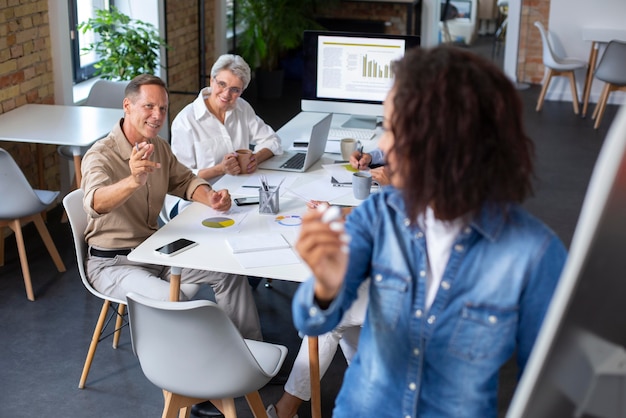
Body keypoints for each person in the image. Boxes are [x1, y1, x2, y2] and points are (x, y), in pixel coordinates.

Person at [292, 45, 568, 418]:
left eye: (392, 129)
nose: (383, 145)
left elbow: (548, 391)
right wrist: (325, 287)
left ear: (446, 143)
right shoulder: (378, 215)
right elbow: (312, 320)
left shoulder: (534, 255)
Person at [81, 74, 263, 342]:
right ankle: (213, 367)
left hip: (155, 253)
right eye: (149, 106)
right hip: (113, 264)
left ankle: (249, 353)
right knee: (176, 303)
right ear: (127, 106)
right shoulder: (100, 155)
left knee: (228, 272)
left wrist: (210, 196)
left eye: (163, 108)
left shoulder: (158, 147)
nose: (157, 115)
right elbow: (95, 202)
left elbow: (185, 181)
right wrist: (132, 181)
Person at [170, 53, 282, 183]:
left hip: (239, 186)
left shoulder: (242, 108)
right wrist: (220, 169)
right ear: (212, 80)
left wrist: (255, 158)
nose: (226, 94)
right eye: (222, 84)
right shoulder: (185, 121)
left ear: (242, 91)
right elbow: (180, 177)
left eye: (235, 90)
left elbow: (272, 140)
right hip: (202, 195)